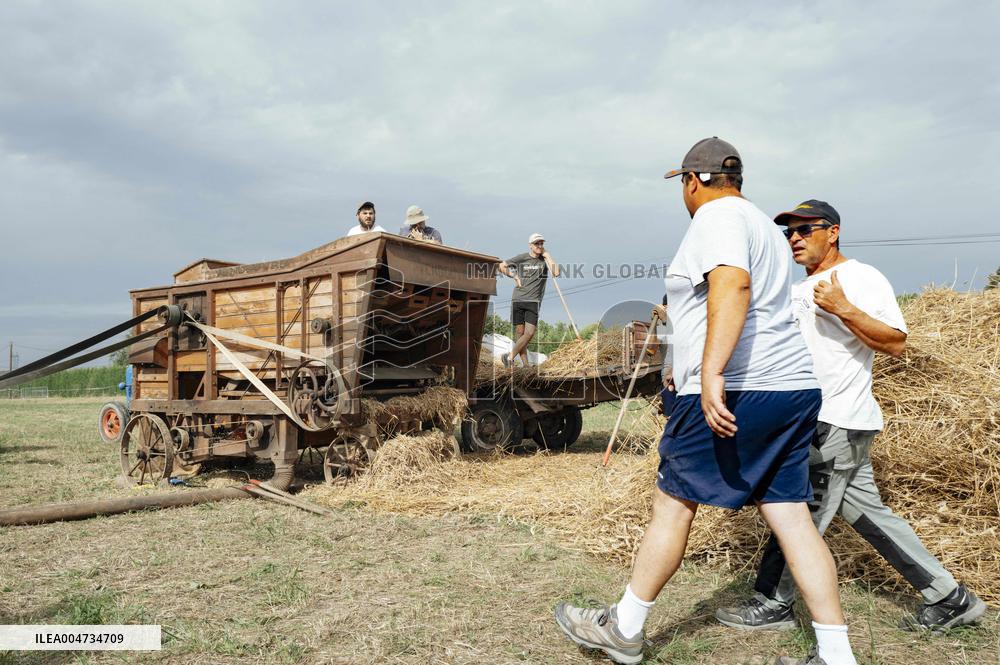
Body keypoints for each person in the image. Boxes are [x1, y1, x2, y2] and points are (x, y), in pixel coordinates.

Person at [553, 138, 858, 665]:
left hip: (738, 387)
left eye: (683, 185)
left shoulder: (716, 218)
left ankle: (624, 628)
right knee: (791, 517)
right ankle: (836, 654)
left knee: (672, 505)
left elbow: (732, 287)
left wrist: (712, 371)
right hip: (792, 389)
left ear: (692, 181)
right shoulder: (761, 224)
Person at [715, 199, 986, 634]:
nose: (794, 239)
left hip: (837, 420)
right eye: (789, 232)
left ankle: (774, 602)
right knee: (867, 514)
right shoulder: (797, 288)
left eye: (805, 230)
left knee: (801, 512)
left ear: (833, 232)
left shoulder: (860, 278)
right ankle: (950, 597)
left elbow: (896, 342)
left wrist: (843, 306)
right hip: (815, 419)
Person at [498, 234, 559, 368]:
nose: (539, 246)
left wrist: (548, 255)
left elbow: (556, 272)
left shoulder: (544, 260)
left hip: (533, 301)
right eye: (537, 243)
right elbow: (502, 266)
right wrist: (514, 276)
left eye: (541, 243)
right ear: (530, 245)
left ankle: (508, 357)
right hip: (518, 299)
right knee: (520, 334)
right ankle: (526, 366)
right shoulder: (522, 258)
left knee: (529, 333)